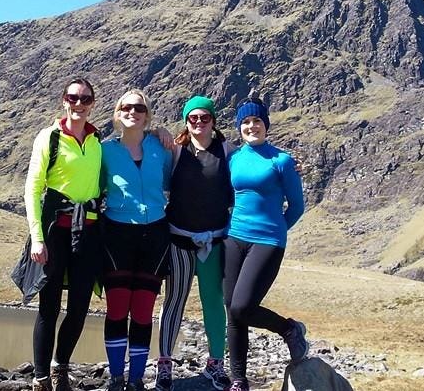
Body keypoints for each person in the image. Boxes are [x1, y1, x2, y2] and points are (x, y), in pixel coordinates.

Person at [23, 78, 104, 391]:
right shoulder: (50, 138)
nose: (78, 104)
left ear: (92, 103)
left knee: (80, 307)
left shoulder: (97, 140)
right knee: (49, 307)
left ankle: (60, 367)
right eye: (73, 97)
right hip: (55, 231)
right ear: (64, 100)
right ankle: (41, 378)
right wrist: (37, 238)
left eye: (85, 98)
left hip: (89, 233)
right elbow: (33, 189)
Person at [222, 97, 308, 391]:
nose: (251, 126)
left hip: (267, 241)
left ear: (266, 124)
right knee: (232, 310)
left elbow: (296, 206)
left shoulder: (281, 161)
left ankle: (288, 329)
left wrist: (276, 231)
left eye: (256, 120)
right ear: (239, 127)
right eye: (245, 122)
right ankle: (238, 380)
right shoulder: (234, 158)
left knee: (242, 306)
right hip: (234, 237)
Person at [156, 96, 233, 391]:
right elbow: (145, 149)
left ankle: (216, 363)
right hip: (180, 240)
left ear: (213, 120)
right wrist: (156, 131)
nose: (199, 122)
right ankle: (164, 363)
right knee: (174, 300)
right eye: (193, 118)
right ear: (186, 122)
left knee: (213, 302)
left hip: (215, 241)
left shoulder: (228, 152)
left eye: (205, 117)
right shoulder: (175, 151)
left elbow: (253, 171)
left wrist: (288, 168)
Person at [101, 89, 173, 391]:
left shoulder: (161, 147)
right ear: (118, 113)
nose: (133, 112)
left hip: (155, 234)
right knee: (117, 309)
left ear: (147, 115)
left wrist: (163, 132)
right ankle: (117, 377)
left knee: (143, 312)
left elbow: (181, 177)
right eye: (127, 107)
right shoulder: (104, 150)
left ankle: (136, 380)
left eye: (140, 108)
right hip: (116, 234)